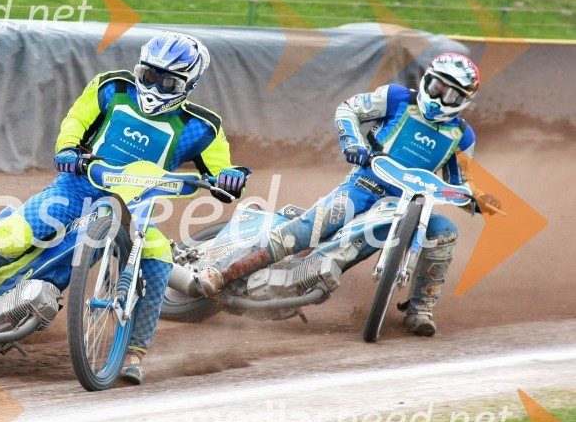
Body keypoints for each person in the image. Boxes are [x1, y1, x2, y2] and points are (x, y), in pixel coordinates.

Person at [0, 31, 250, 383]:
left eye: (168, 82)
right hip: (76, 187)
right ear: (139, 68)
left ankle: (134, 354)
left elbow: (220, 171)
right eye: (149, 76)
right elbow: (76, 121)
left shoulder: (202, 128)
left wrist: (231, 178)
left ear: (189, 85)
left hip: (135, 209)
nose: (155, 87)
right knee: (13, 235)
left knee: (159, 258)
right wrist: (68, 148)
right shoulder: (112, 87)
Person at [198, 53, 500, 336]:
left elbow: (461, 183)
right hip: (365, 186)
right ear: (427, 80)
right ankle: (221, 273)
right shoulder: (397, 97)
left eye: (451, 95)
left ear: (463, 101)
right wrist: (352, 143)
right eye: (437, 86)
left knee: (446, 231)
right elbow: (349, 108)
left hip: (413, 206)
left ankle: (421, 310)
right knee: (308, 229)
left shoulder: (462, 136)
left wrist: (478, 202)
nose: (439, 97)